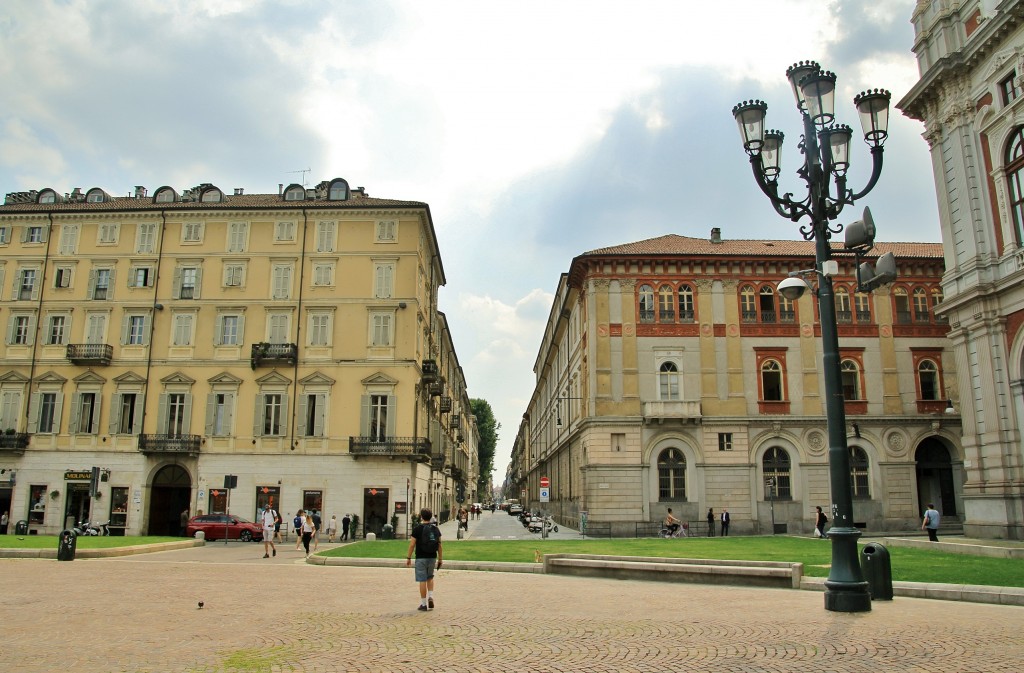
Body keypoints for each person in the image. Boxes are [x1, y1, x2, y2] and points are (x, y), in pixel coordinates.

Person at [406, 508, 442, 611]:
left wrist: (408, 557)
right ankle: (431, 596)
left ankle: (423, 604)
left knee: (422, 580)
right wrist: (440, 559)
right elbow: (439, 545)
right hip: (432, 556)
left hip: (421, 557)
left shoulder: (417, 529)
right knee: (430, 577)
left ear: (422, 517)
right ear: (431, 517)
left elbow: (412, 544)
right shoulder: (436, 529)